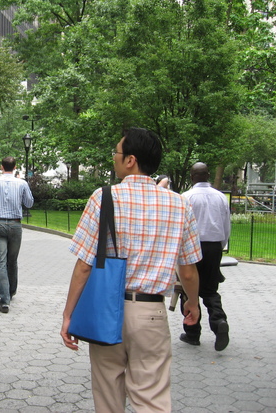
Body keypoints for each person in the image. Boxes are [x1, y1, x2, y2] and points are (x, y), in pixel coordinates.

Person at [60, 127, 202, 412]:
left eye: (116, 152)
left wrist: (68, 314)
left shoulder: (103, 198)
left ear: (130, 160)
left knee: (108, 395)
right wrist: (193, 303)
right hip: (151, 314)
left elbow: (84, 266)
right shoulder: (180, 205)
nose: (113, 157)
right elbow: (187, 271)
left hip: (106, 310)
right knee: (152, 398)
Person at [180, 162, 231, 351]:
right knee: (209, 289)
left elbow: (182, 226)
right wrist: (221, 245)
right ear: (208, 175)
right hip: (214, 247)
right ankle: (219, 322)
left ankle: (192, 333)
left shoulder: (186, 197)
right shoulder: (220, 197)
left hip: (192, 246)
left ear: (191, 177)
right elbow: (226, 225)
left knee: (188, 290)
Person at [0, 156, 34, 313]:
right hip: (15, 224)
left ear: (2, 167)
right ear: (15, 167)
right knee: (12, 260)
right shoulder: (22, 183)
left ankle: (4, 300)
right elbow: (29, 203)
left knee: (0, 262)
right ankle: (11, 290)